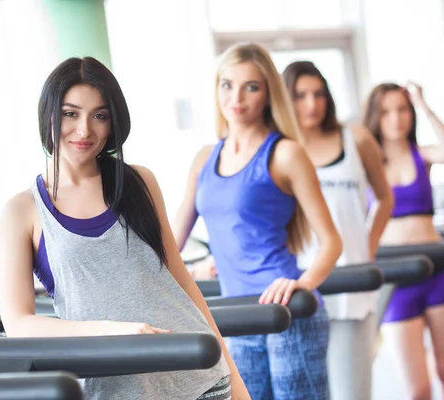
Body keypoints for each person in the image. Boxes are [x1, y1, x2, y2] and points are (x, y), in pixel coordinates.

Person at [0, 56, 250, 400]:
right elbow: (18, 325)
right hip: (116, 389)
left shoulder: (139, 182)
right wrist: (114, 332)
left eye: (99, 115)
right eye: (71, 113)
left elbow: (181, 281)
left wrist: (235, 379)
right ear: (49, 115)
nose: (85, 129)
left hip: (199, 380)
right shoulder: (21, 211)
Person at [172, 43, 342, 400]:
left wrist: (304, 284)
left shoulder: (286, 153)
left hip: (288, 316)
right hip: (237, 319)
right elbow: (171, 244)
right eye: (227, 85)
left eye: (251, 86)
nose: (237, 96)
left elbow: (331, 241)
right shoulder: (204, 158)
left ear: (268, 95)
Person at [282, 61, 394, 400]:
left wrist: (367, 246)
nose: (312, 104)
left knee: (350, 394)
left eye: (318, 94)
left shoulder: (356, 139)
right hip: (299, 289)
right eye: (300, 96)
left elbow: (385, 199)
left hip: (350, 289)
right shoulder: (280, 149)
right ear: (286, 99)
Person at [364, 81, 444, 399]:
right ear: (375, 116)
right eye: (386, 112)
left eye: (402, 109)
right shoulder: (366, 163)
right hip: (394, 282)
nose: (396, 118)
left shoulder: (420, 156)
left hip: (437, 272)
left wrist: (424, 105)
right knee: (418, 388)